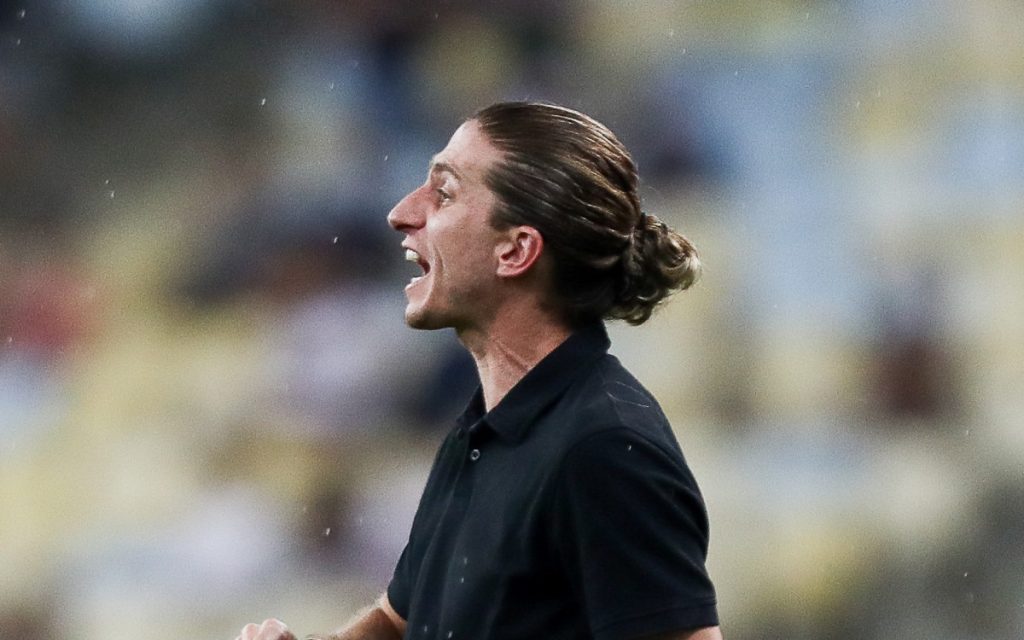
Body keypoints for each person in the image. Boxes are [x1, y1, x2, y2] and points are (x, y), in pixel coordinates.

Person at [237, 102, 722, 640]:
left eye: (444, 193)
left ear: (515, 251)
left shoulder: (602, 448)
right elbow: (401, 622)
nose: (402, 212)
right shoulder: (482, 430)